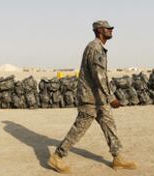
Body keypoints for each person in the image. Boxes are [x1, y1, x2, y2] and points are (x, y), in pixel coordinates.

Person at [47, 20, 137, 173]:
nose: (111, 31)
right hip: (90, 98)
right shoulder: (95, 48)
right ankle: (58, 156)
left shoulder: (98, 48)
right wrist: (111, 98)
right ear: (100, 30)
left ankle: (118, 157)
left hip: (99, 98)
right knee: (79, 128)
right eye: (108, 29)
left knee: (109, 125)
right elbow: (99, 76)